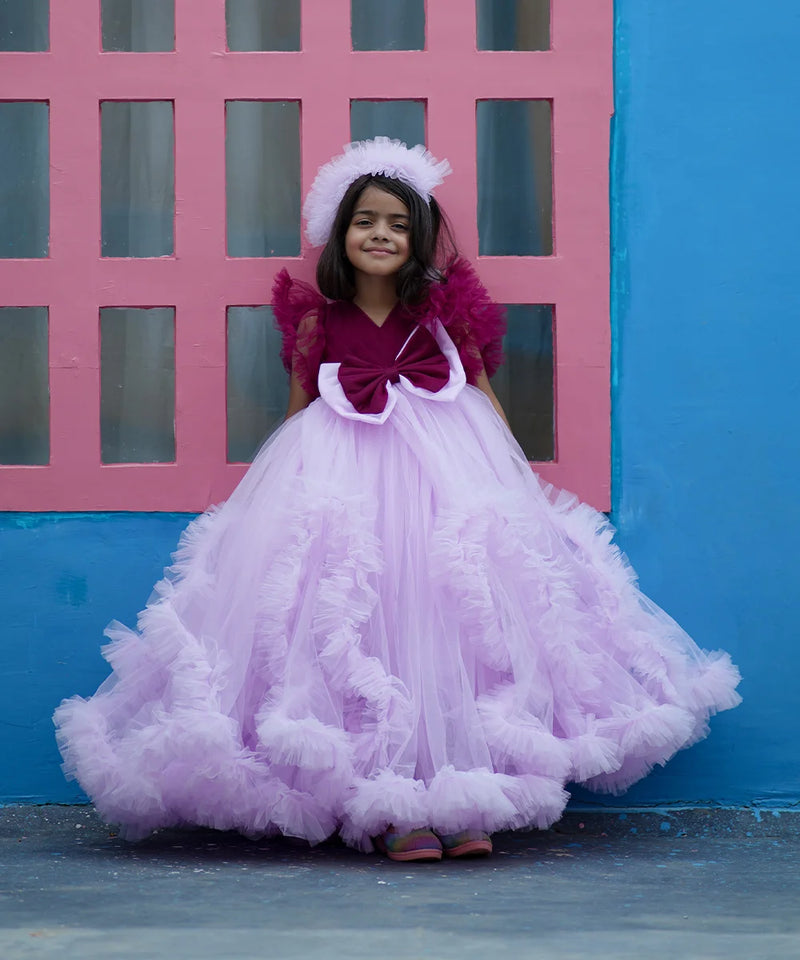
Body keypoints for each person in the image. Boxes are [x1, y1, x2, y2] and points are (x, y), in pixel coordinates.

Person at [53, 138, 741, 863]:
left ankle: (461, 795)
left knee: (447, 628)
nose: (381, 234)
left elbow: (482, 395)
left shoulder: (445, 317)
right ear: (340, 234)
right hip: (344, 486)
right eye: (365, 221)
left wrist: (514, 492)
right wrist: (278, 510)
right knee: (366, 630)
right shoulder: (319, 322)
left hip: (444, 483)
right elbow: (297, 416)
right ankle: (389, 808)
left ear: (418, 240)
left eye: (399, 224)